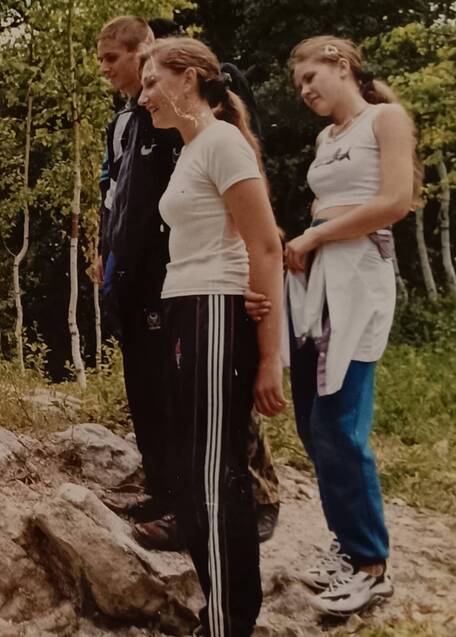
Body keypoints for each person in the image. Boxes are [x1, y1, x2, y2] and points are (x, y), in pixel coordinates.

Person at [95, 16, 281, 551]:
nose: (106, 69)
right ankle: (173, 493)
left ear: (145, 53)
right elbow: (122, 199)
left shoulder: (205, 129)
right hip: (156, 276)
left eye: (114, 58)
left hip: (208, 284)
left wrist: (267, 337)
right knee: (165, 398)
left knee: (217, 407)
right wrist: (112, 263)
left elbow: (248, 215)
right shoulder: (129, 123)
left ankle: (251, 500)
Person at [139, 37, 286, 637]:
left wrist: (270, 354)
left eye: (152, 81)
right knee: (188, 472)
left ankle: (229, 623)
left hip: (216, 308)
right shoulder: (190, 149)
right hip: (184, 308)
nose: (142, 95)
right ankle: (217, 613)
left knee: (213, 471)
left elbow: (266, 244)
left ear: (191, 78)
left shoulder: (223, 141)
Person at [282, 35, 417, 617]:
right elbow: (325, 205)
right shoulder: (324, 138)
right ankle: (346, 544)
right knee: (313, 424)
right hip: (318, 279)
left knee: (339, 420)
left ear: (342, 64)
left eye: (312, 76)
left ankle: (371, 566)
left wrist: (315, 234)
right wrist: (309, 242)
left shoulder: (384, 118)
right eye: (299, 85)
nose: (306, 90)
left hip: (359, 276)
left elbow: (395, 201)